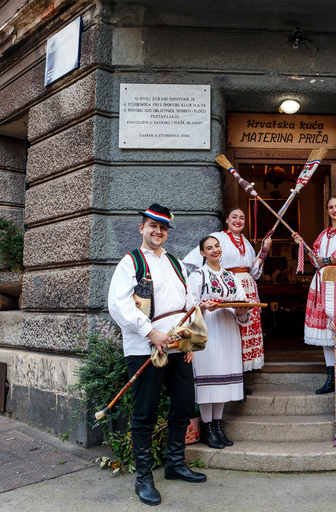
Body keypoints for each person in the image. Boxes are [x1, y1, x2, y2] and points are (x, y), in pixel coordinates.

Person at [107, 203, 210, 506]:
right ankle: (144, 479)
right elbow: (119, 305)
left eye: (163, 227)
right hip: (144, 349)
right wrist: (150, 333)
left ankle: (175, 465)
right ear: (142, 228)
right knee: (144, 414)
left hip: (178, 347)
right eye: (153, 225)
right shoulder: (131, 262)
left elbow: (189, 302)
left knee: (182, 405)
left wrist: (189, 342)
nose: (158, 231)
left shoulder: (176, 262)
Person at [183, 208, 271, 384]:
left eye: (242, 218)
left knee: (245, 330)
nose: (238, 220)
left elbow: (254, 271)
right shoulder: (218, 238)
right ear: (227, 220)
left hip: (246, 289)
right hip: (226, 285)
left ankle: (240, 378)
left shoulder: (246, 242)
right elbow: (192, 261)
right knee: (231, 332)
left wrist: (264, 251)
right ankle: (229, 374)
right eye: (234, 217)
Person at [187, 235, 252, 449]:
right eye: (209, 248)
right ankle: (207, 428)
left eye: (216, 246)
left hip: (228, 331)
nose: (214, 250)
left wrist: (242, 310)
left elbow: (240, 304)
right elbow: (188, 307)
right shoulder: (198, 275)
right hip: (208, 332)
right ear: (202, 253)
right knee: (209, 382)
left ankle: (217, 426)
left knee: (223, 383)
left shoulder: (232, 277)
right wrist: (204, 307)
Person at [292, 196, 336, 394]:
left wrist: (325, 259)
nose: (335, 209)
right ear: (327, 210)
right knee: (326, 332)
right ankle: (331, 377)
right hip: (321, 281)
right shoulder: (324, 234)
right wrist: (302, 244)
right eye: (331, 207)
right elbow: (315, 260)